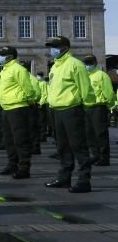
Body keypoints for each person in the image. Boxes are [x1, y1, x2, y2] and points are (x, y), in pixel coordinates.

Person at [44, 36, 95, 193]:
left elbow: (85, 89)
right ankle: (64, 177)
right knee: (62, 146)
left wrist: (85, 108)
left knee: (78, 145)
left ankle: (84, 180)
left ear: (65, 48)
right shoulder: (55, 66)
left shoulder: (75, 64)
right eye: (51, 46)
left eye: (55, 46)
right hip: (56, 110)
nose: (51, 49)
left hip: (72, 109)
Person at [0, 46, 34, 179]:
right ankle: (12, 164)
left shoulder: (18, 69)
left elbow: (28, 89)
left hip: (17, 108)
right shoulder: (5, 70)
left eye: (2, 55)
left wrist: (26, 100)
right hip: (6, 108)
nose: (0, 58)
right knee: (9, 139)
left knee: (20, 139)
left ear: (10, 56)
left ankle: (24, 167)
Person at [83, 55, 114, 166]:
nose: (88, 65)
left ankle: (104, 157)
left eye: (89, 63)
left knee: (100, 134)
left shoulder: (102, 75)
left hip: (98, 107)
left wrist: (109, 106)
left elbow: (109, 92)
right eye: (86, 63)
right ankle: (95, 155)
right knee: (89, 133)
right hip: (86, 107)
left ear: (95, 63)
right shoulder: (84, 76)